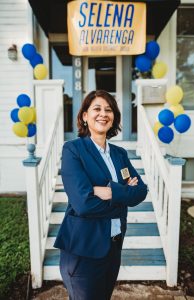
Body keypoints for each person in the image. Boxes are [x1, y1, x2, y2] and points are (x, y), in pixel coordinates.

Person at [53, 90, 148, 300]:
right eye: (97, 108)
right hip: (84, 249)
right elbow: (83, 204)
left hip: (113, 246)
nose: (103, 113)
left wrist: (109, 192)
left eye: (109, 109)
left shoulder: (120, 154)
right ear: (85, 116)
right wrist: (124, 195)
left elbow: (141, 191)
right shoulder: (73, 150)